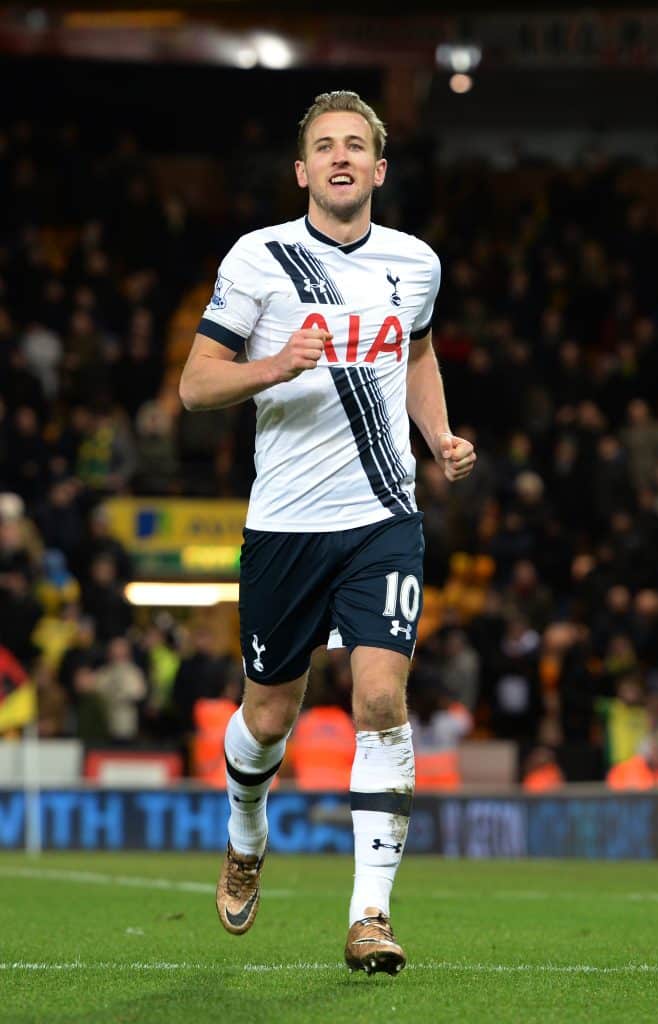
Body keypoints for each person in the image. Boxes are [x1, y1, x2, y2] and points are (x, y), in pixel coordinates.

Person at [179, 90, 476, 976]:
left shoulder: (415, 262)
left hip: (383, 518)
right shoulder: (258, 257)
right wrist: (276, 364)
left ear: (379, 168)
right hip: (286, 525)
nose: (340, 156)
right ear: (302, 170)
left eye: (355, 145)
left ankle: (370, 916)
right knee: (269, 716)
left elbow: (417, 354)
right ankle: (245, 829)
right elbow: (196, 385)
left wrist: (438, 436)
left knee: (381, 699)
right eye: (324, 146)